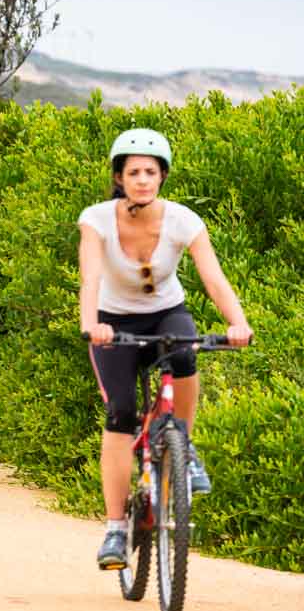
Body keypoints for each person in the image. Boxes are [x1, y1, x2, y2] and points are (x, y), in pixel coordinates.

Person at [79, 128, 253, 570]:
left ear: (162, 176)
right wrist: (91, 324)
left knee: (185, 352)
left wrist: (237, 322)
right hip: (112, 321)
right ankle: (116, 527)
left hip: (165, 312)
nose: (142, 179)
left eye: (150, 172)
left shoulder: (183, 220)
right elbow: (91, 277)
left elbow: (212, 277)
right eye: (133, 171)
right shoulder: (96, 219)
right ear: (119, 177)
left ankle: (184, 445)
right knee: (120, 413)